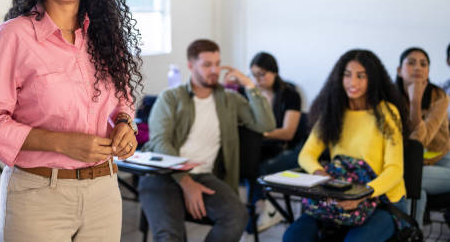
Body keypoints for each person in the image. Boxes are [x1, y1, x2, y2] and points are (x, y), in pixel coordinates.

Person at [0, 0, 142, 242]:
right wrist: (63, 142)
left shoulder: (105, 36)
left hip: (104, 190)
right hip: (40, 194)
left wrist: (124, 123)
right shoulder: (13, 36)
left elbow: (123, 98)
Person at [138, 39, 276, 242]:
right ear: (190, 65)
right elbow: (160, 143)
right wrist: (185, 182)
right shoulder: (170, 98)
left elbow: (266, 125)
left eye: (217, 64)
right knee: (169, 236)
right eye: (207, 64)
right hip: (161, 175)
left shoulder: (230, 99)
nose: (214, 70)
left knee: (237, 217)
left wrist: (249, 85)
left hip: (203, 176)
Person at [283, 49, 408, 242]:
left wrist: (362, 195)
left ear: (372, 79)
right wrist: (320, 175)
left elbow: (394, 170)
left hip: (382, 202)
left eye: (361, 76)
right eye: (347, 75)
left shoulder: (387, 113)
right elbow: (306, 155)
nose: (353, 83)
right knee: (293, 237)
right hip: (338, 199)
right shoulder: (334, 111)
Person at [246, 52, 305, 233]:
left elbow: (287, 133)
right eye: (254, 75)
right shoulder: (251, 95)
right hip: (261, 147)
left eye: (262, 74)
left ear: (275, 72)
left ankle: (259, 211)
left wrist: (260, 133)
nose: (258, 80)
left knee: (257, 169)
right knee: (249, 164)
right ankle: (258, 210)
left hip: (286, 149)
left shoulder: (290, 95)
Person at [396, 47, 450, 226]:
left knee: (412, 178)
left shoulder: (440, 97)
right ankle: (412, 235)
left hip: (442, 161)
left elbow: (420, 143)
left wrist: (415, 103)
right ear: (399, 70)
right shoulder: (390, 98)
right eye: (411, 63)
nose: (418, 68)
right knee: (417, 186)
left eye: (423, 64)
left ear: (428, 72)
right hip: (411, 162)